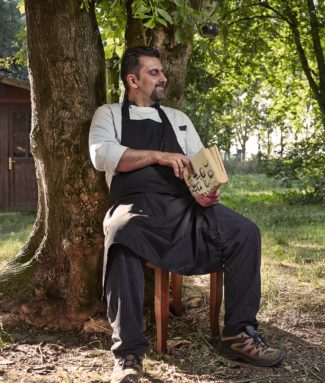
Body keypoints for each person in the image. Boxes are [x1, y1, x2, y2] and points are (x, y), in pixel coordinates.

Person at [88, 46, 284, 383]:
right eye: (154, 73)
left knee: (245, 231)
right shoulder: (108, 114)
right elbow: (103, 156)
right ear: (132, 79)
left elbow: (199, 165)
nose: (163, 78)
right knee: (120, 236)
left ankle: (239, 333)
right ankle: (128, 354)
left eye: (162, 72)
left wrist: (207, 192)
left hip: (185, 207)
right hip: (134, 207)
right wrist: (159, 156)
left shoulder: (178, 120)